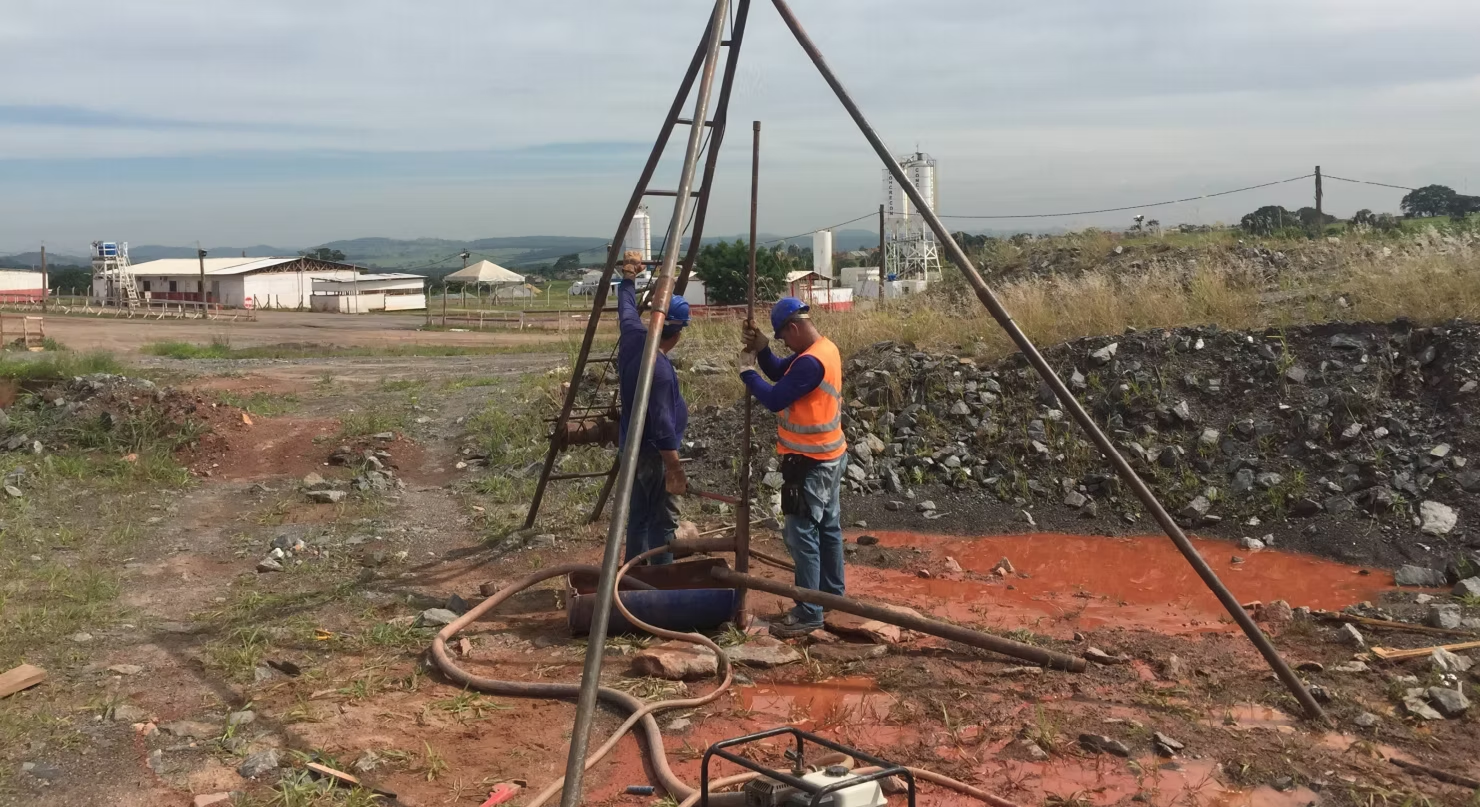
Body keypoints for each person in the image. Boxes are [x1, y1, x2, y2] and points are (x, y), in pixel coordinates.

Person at [738, 297, 848, 637]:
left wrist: (746, 373)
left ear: (795, 328)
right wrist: (764, 349)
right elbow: (779, 372)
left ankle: (808, 611)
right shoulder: (821, 350)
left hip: (810, 461)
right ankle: (831, 596)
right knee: (827, 527)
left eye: (783, 337)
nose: (784, 343)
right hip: (829, 455)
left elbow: (774, 398)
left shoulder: (810, 364)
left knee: (801, 533)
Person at [617, 252, 690, 566]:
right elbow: (662, 429)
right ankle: (661, 579)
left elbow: (626, 310)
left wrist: (629, 278)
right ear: (679, 332)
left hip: (631, 447)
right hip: (653, 453)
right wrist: (674, 468)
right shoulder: (658, 371)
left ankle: (633, 574)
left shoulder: (634, 337)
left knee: (639, 515)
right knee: (662, 520)